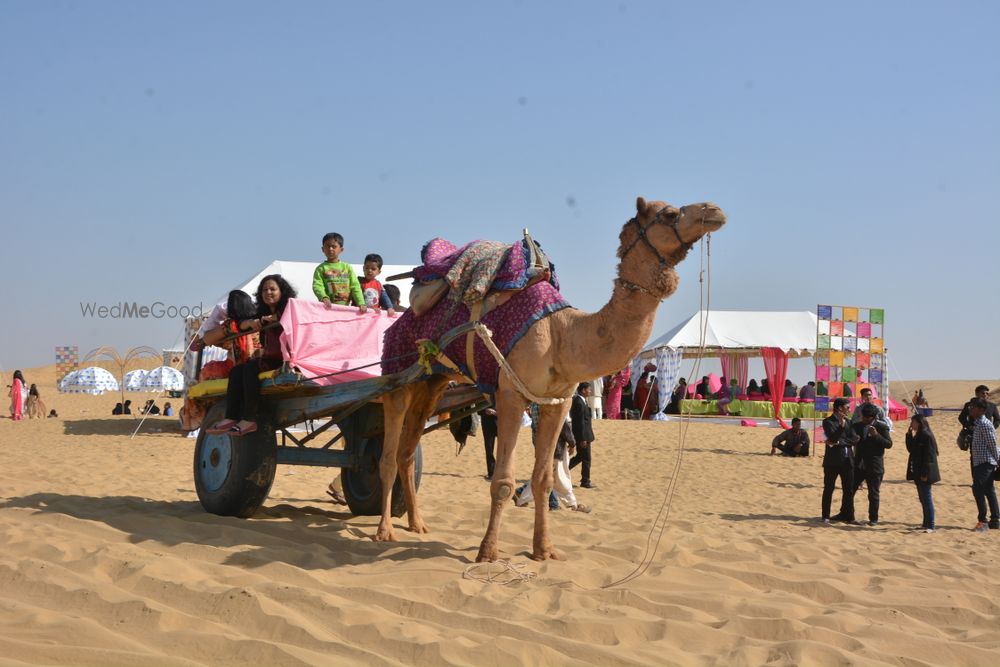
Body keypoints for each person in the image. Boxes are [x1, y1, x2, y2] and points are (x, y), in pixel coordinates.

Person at [207, 274, 296, 436]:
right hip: (271, 357)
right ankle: (231, 417)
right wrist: (248, 323)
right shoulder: (262, 312)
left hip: (286, 357)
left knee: (249, 369)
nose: (268, 292)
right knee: (237, 371)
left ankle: (249, 419)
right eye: (264, 290)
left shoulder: (290, 306)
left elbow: (288, 316)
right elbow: (242, 323)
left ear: (282, 291)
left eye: (272, 289)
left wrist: (269, 319)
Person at [200, 290, 260, 380]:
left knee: (205, 371)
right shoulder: (260, 321)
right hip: (259, 363)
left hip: (233, 367)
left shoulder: (230, 325)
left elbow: (207, 340)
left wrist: (228, 328)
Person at [851, 403, 893, 526]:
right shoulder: (857, 426)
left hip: (874, 465)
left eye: (867, 418)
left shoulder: (882, 427)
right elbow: (851, 439)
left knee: (873, 493)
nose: (864, 420)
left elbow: (888, 444)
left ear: (873, 418)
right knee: (850, 490)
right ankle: (848, 514)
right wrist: (854, 440)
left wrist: (876, 436)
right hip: (858, 464)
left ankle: (873, 519)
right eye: (863, 417)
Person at [821, 397, 860, 523]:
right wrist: (841, 429)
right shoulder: (828, 422)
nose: (849, 409)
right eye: (847, 407)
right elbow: (832, 438)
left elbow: (855, 439)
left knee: (848, 490)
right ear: (839, 408)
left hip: (848, 460)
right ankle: (825, 516)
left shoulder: (849, 422)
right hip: (832, 461)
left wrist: (839, 442)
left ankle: (849, 516)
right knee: (829, 488)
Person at [967, 398, 1000, 531]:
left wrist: (999, 461)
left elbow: (992, 444)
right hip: (980, 462)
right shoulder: (977, 423)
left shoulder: (985, 424)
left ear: (981, 410)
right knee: (989, 490)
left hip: (986, 463)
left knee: (978, 489)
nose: (971, 409)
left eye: (973, 407)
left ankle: (983, 521)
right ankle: (995, 520)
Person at [312, 232, 366, 311]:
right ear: (323, 249)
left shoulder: (347, 267)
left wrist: (361, 303)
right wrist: (323, 297)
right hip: (328, 309)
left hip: (345, 309)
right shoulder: (320, 269)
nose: (330, 249)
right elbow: (317, 286)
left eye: (334, 246)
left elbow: (355, 286)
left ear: (341, 249)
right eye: (328, 246)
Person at [905, 414, 940, 532]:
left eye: (913, 422)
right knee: (922, 498)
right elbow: (911, 449)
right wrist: (909, 435)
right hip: (918, 470)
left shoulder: (926, 435)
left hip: (925, 472)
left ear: (919, 422)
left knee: (927, 497)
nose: (911, 424)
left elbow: (929, 456)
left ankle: (930, 525)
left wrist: (925, 473)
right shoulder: (919, 435)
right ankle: (926, 523)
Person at [569, 382, 596, 488]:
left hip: (585, 434)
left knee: (580, 457)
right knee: (586, 458)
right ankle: (585, 481)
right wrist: (583, 438)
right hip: (583, 436)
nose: (590, 391)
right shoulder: (579, 402)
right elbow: (579, 422)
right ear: (583, 390)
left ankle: (562, 471)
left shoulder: (581, 401)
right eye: (589, 389)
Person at [480, 404, 498, 479]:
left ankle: (502, 471)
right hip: (486, 424)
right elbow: (478, 410)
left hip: (500, 423)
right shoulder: (481, 393)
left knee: (503, 449)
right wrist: (484, 411)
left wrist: (495, 412)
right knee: (489, 449)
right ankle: (491, 472)